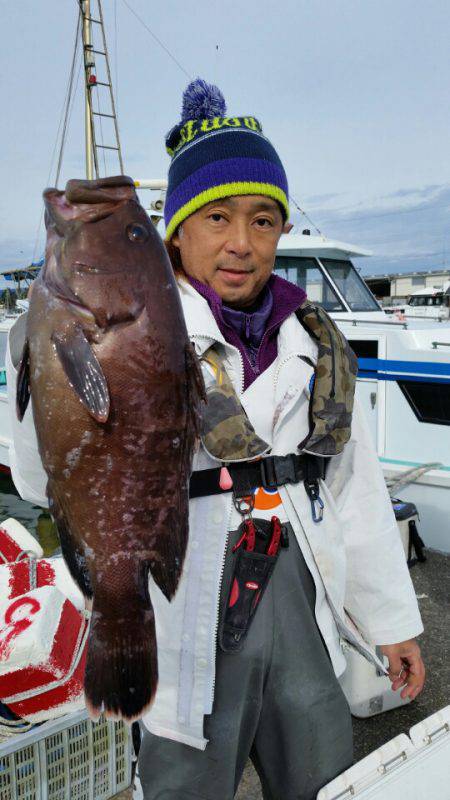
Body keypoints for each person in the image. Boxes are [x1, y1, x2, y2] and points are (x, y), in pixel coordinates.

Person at [6, 79, 425, 800]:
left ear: (282, 232)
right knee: (184, 782)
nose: (241, 242)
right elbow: (41, 484)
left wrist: (390, 621)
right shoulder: (125, 326)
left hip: (301, 597)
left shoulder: (316, 345)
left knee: (324, 773)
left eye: (264, 220)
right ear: (177, 233)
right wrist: (41, 356)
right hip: (180, 600)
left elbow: (353, 492)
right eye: (217, 217)